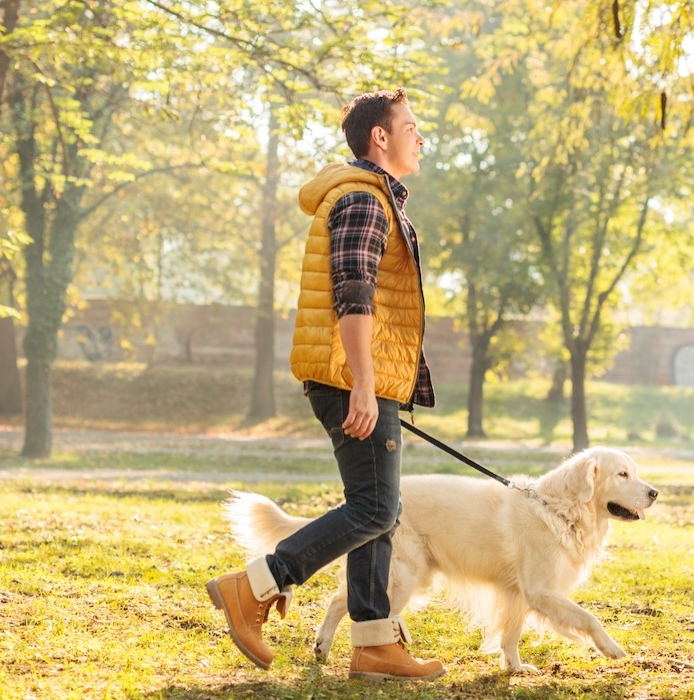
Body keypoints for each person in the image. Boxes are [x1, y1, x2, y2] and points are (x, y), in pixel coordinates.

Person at [204, 88, 444, 682]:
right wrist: (365, 383)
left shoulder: (374, 197)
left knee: (381, 513)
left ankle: (373, 643)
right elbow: (353, 292)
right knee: (377, 507)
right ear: (379, 137)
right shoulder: (364, 199)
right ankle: (254, 585)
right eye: (410, 127)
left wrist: (384, 382)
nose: (421, 137)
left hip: (365, 379)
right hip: (349, 379)